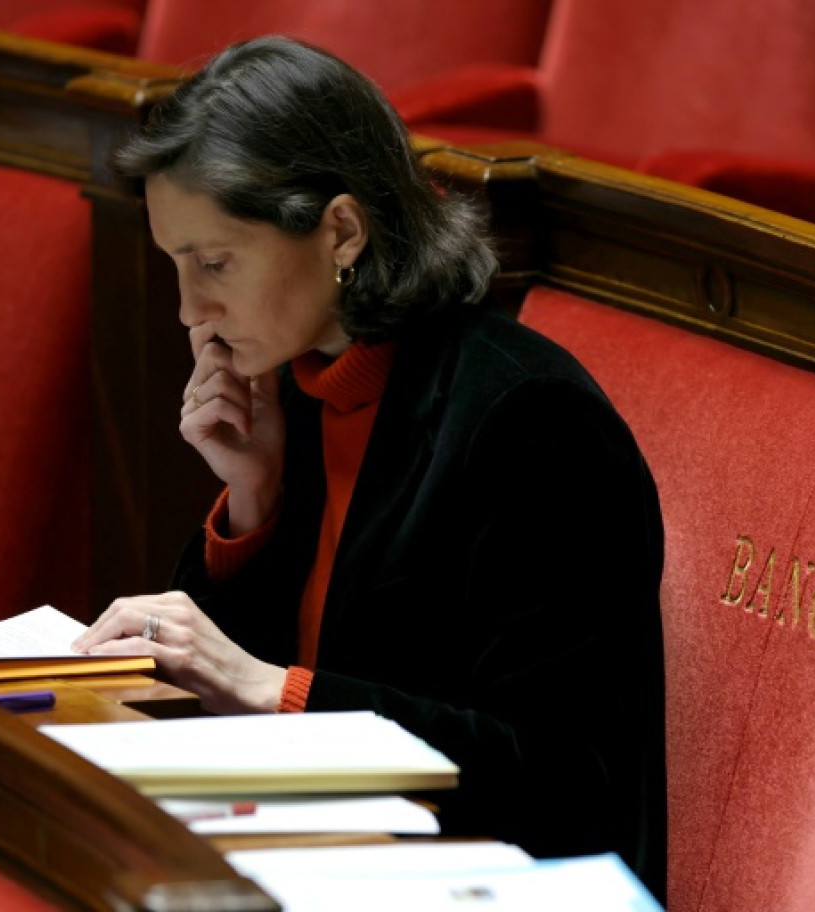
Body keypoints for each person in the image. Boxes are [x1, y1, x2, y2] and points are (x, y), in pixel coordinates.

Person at [71, 35, 667, 896]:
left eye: (214, 264)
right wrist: (254, 502)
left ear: (341, 231)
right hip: (326, 861)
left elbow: (561, 786)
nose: (187, 310)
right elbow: (233, 705)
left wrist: (270, 687)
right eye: (176, 265)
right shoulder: (303, 387)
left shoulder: (530, 420)